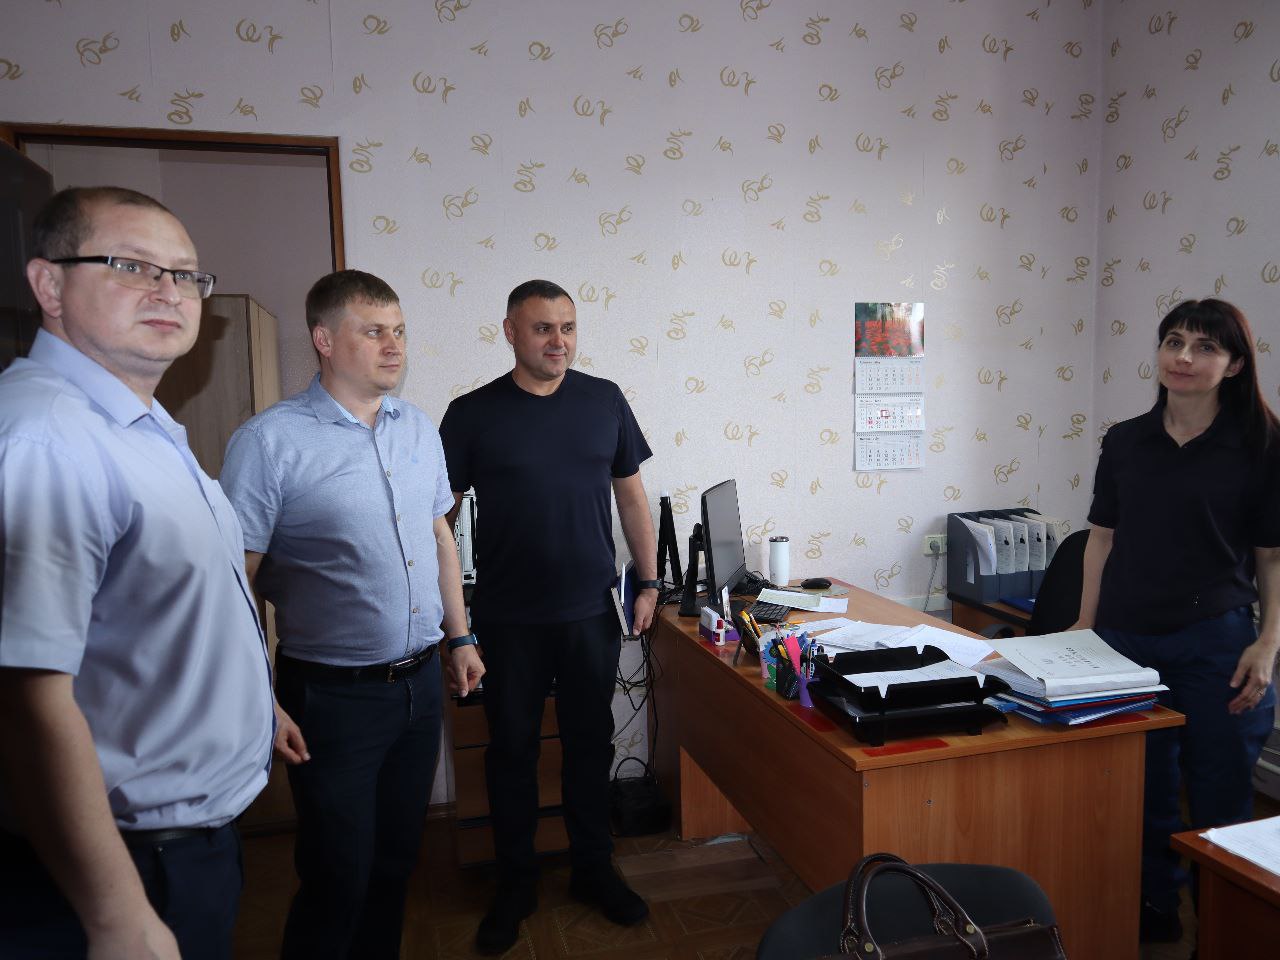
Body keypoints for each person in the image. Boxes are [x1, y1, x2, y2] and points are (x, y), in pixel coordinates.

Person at [0, 186, 275, 959]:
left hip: (188, 842)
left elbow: (165, 614)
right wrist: (117, 916)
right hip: (118, 864)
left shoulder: (141, 426)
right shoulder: (45, 439)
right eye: (131, 266)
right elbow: (25, 696)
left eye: (185, 274)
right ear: (48, 284)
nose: (168, 291)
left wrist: (255, 709)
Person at [219, 269, 484, 960]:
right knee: (337, 875)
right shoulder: (268, 442)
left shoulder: (417, 427)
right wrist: (257, 694)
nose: (394, 346)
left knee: (396, 864)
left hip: (419, 685)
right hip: (332, 697)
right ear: (324, 340)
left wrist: (459, 636)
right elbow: (231, 581)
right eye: (373, 331)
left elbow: (439, 535)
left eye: (399, 331)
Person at [440, 279, 661, 955]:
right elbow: (439, 520)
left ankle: (594, 868)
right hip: (508, 619)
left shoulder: (604, 400)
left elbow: (632, 499)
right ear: (511, 331)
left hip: (590, 613)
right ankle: (516, 884)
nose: (558, 341)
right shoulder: (471, 414)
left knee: (591, 746)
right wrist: (453, 624)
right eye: (542, 328)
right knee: (512, 753)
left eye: (567, 327)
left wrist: (649, 581)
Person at [1074, 298, 1279, 943]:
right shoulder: (1125, 441)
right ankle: (1154, 908)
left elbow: (1271, 556)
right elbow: (1101, 538)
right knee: (1140, 785)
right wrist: (1083, 624)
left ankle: (1222, 933)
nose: (1184, 358)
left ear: (1234, 365)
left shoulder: (1261, 446)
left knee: (1220, 792)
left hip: (1215, 640)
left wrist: (1268, 643)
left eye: (1205, 347)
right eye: (1174, 341)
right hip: (1124, 636)